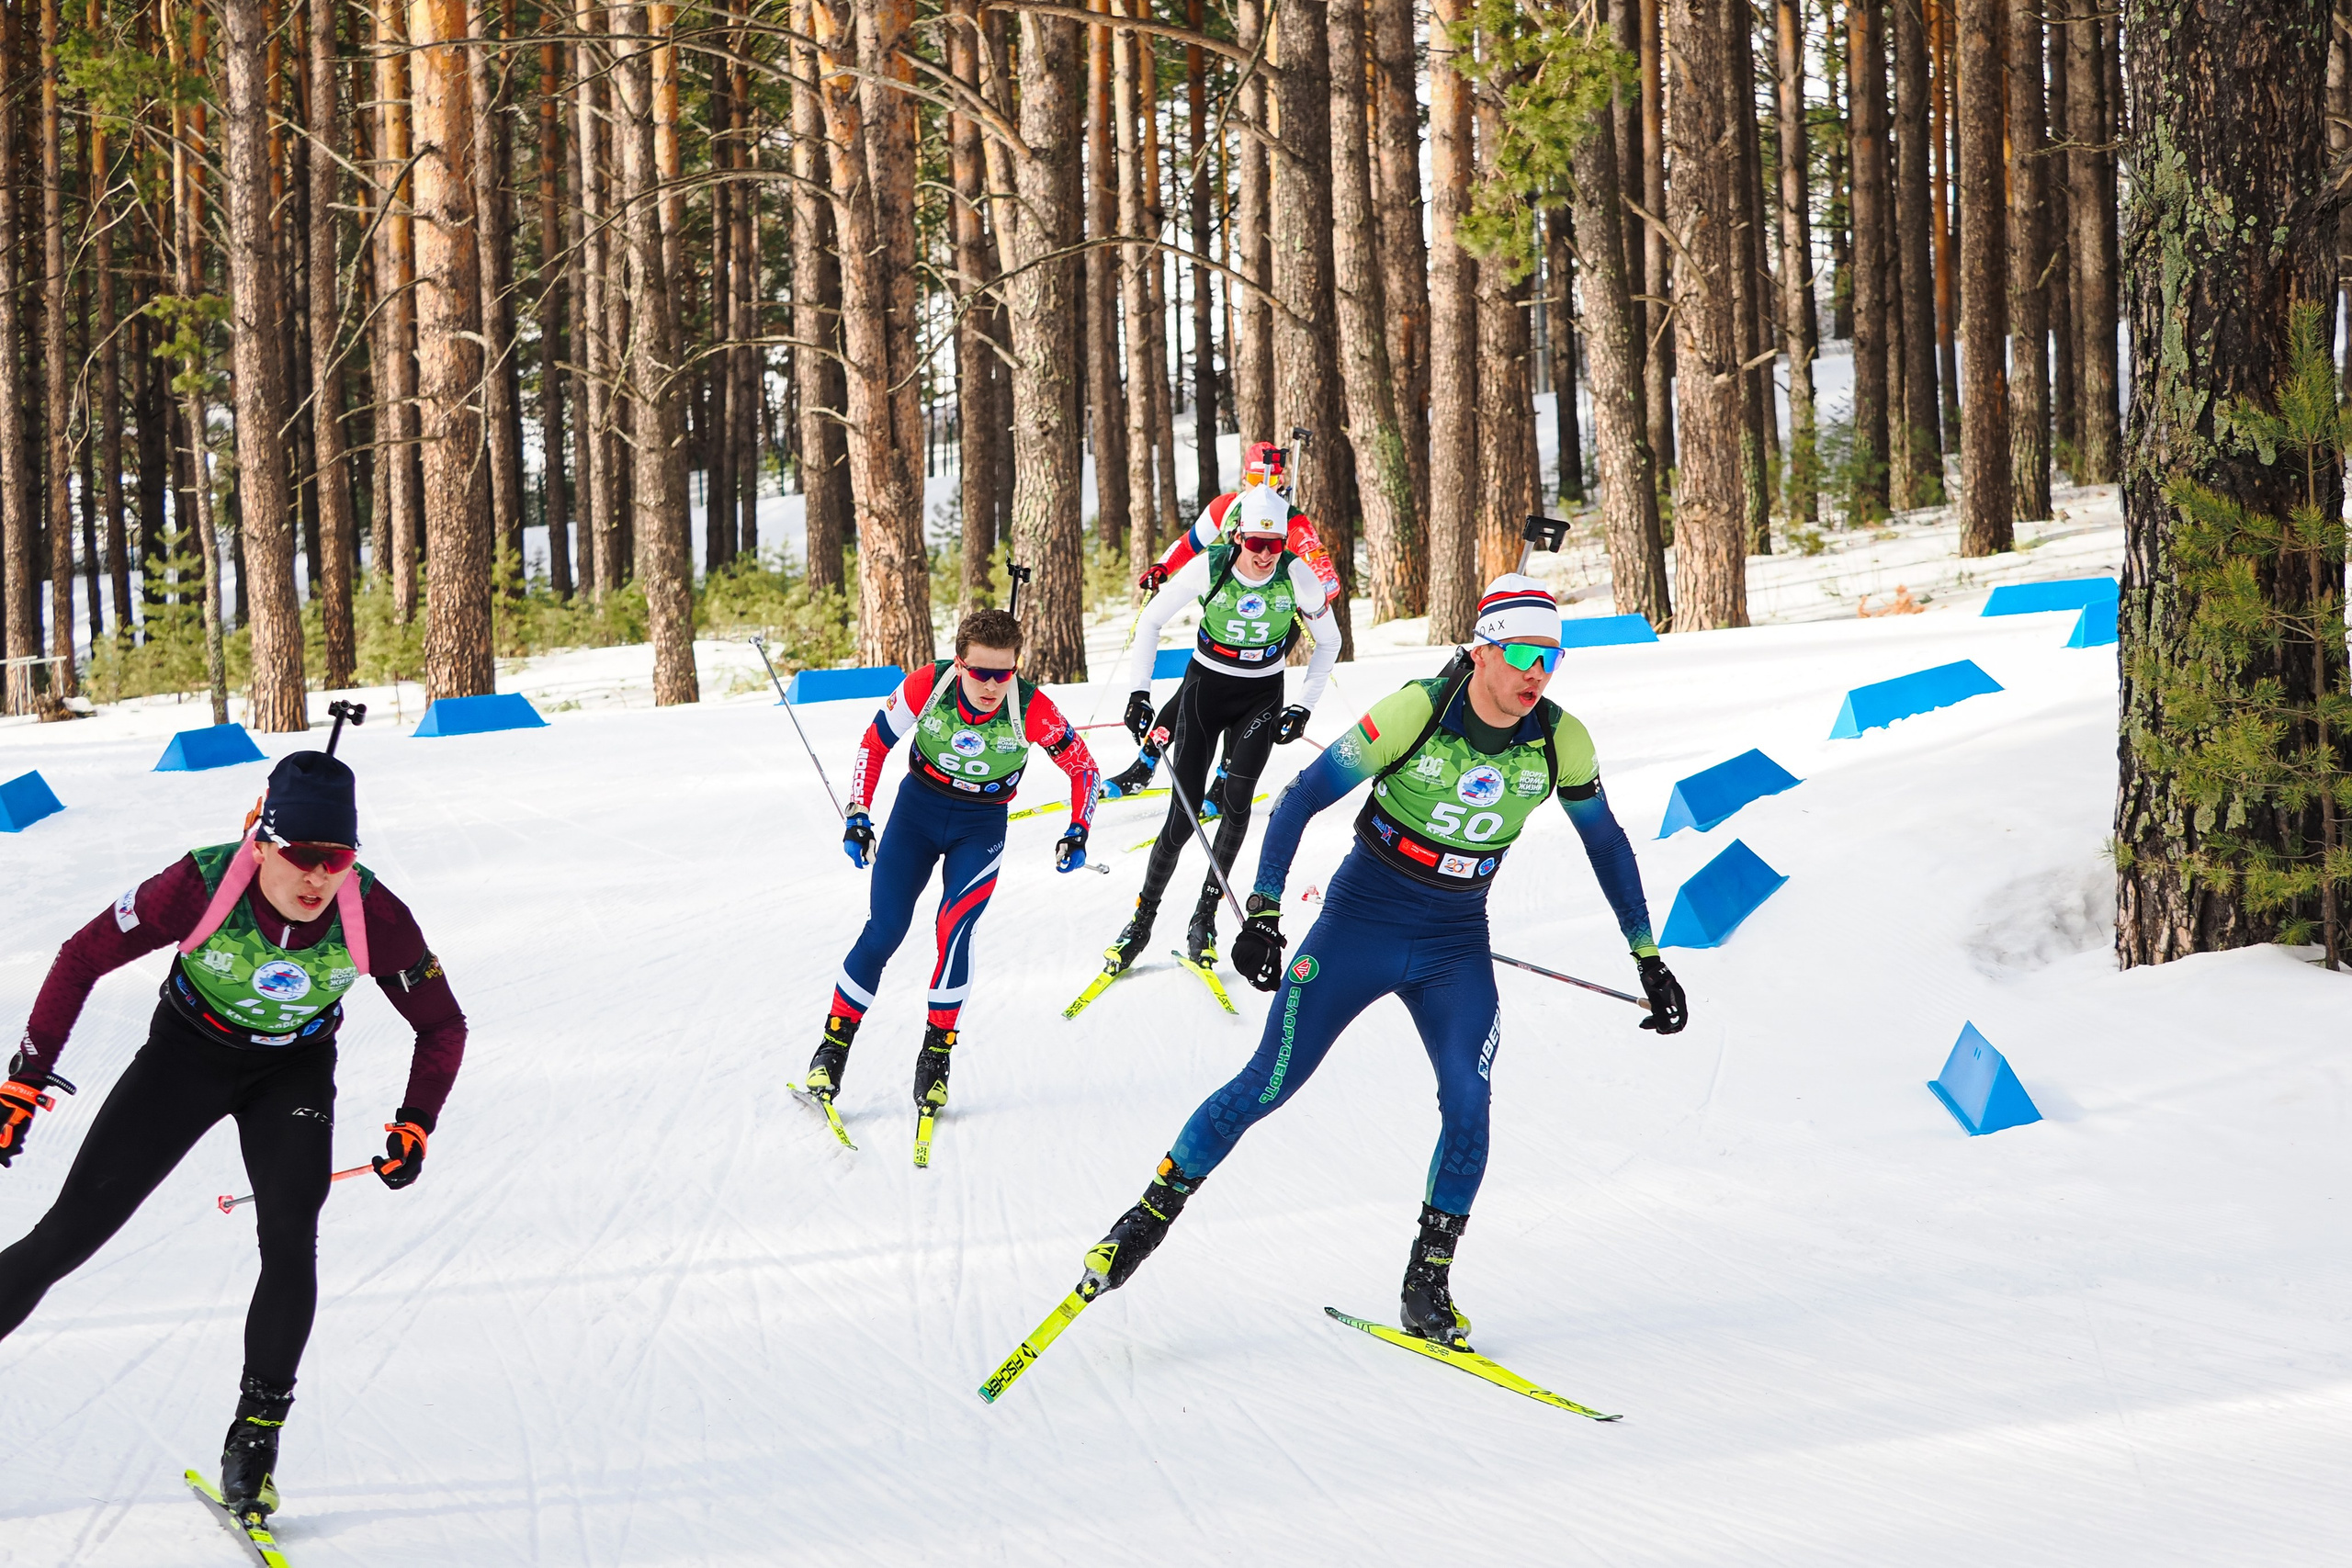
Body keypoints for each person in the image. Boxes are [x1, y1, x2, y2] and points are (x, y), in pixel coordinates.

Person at [1068, 574, 1689, 1349]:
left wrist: (1648, 958)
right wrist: (1263, 910)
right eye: (1525, 652)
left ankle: (1426, 1283)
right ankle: (1143, 1220)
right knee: (1267, 1081)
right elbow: (1298, 798)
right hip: (1362, 919)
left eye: (1551, 658)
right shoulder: (1418, 710)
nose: (1537, 672)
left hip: (1456, 938)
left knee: (1470, 1101)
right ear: (1484, 647)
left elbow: (1607, 844)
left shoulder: (1562, 740)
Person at [0, 749, 467, 1523]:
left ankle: (255, 1442)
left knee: (291, 1235)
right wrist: (27, 1072)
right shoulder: (200, 883)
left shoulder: (376, 915)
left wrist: (417, 1119)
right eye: (301, 856)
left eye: (338, 858)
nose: (318, 877)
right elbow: (82, 953)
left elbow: (441, 1022)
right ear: (261, 842)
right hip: (184, 1056)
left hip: (292, 1072)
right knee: (67, 1237)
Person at [807, 608, 1102, 1116]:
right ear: (960, 664)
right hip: (916, 814)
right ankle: (833, 1048)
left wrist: (1079, 829)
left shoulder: (1032, 708)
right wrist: (858, 813)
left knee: (955, 930)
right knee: (885, 930)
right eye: (981, 671)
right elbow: (873, 744)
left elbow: (1085, 769)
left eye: (1004, 673)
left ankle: (936, 1056)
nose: (992, 685)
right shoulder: (928, 684)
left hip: (980, 826)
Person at [1100, 484, 1339, 975]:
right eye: (1256, 544)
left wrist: (1304, 706)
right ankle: (1141, 921)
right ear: (1238, 537)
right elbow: (1150, 623)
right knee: (1182, 815)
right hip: (1206, 690)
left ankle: (1204, 917)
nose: (1266, 555)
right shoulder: (1209, 566)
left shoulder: (1297, 576)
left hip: (1262, 695)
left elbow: (1329, 640)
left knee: (1236, 806)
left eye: (1275, 545)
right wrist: (1139, 694)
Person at [1103, 440, 1342, 800]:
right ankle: (1146, 761)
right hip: (1228, 610)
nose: (1262, 486)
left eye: (1271, 478)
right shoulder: (1227, 506)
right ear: (1244, 474)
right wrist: (1163, 567)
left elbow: (1323, 571)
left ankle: (1225, 777)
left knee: (1249, 696)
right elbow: (1192, 542)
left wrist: (1311, 588)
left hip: (1276, 618)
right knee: (1192, 690)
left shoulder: (1289, 519)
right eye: (1254, 476)